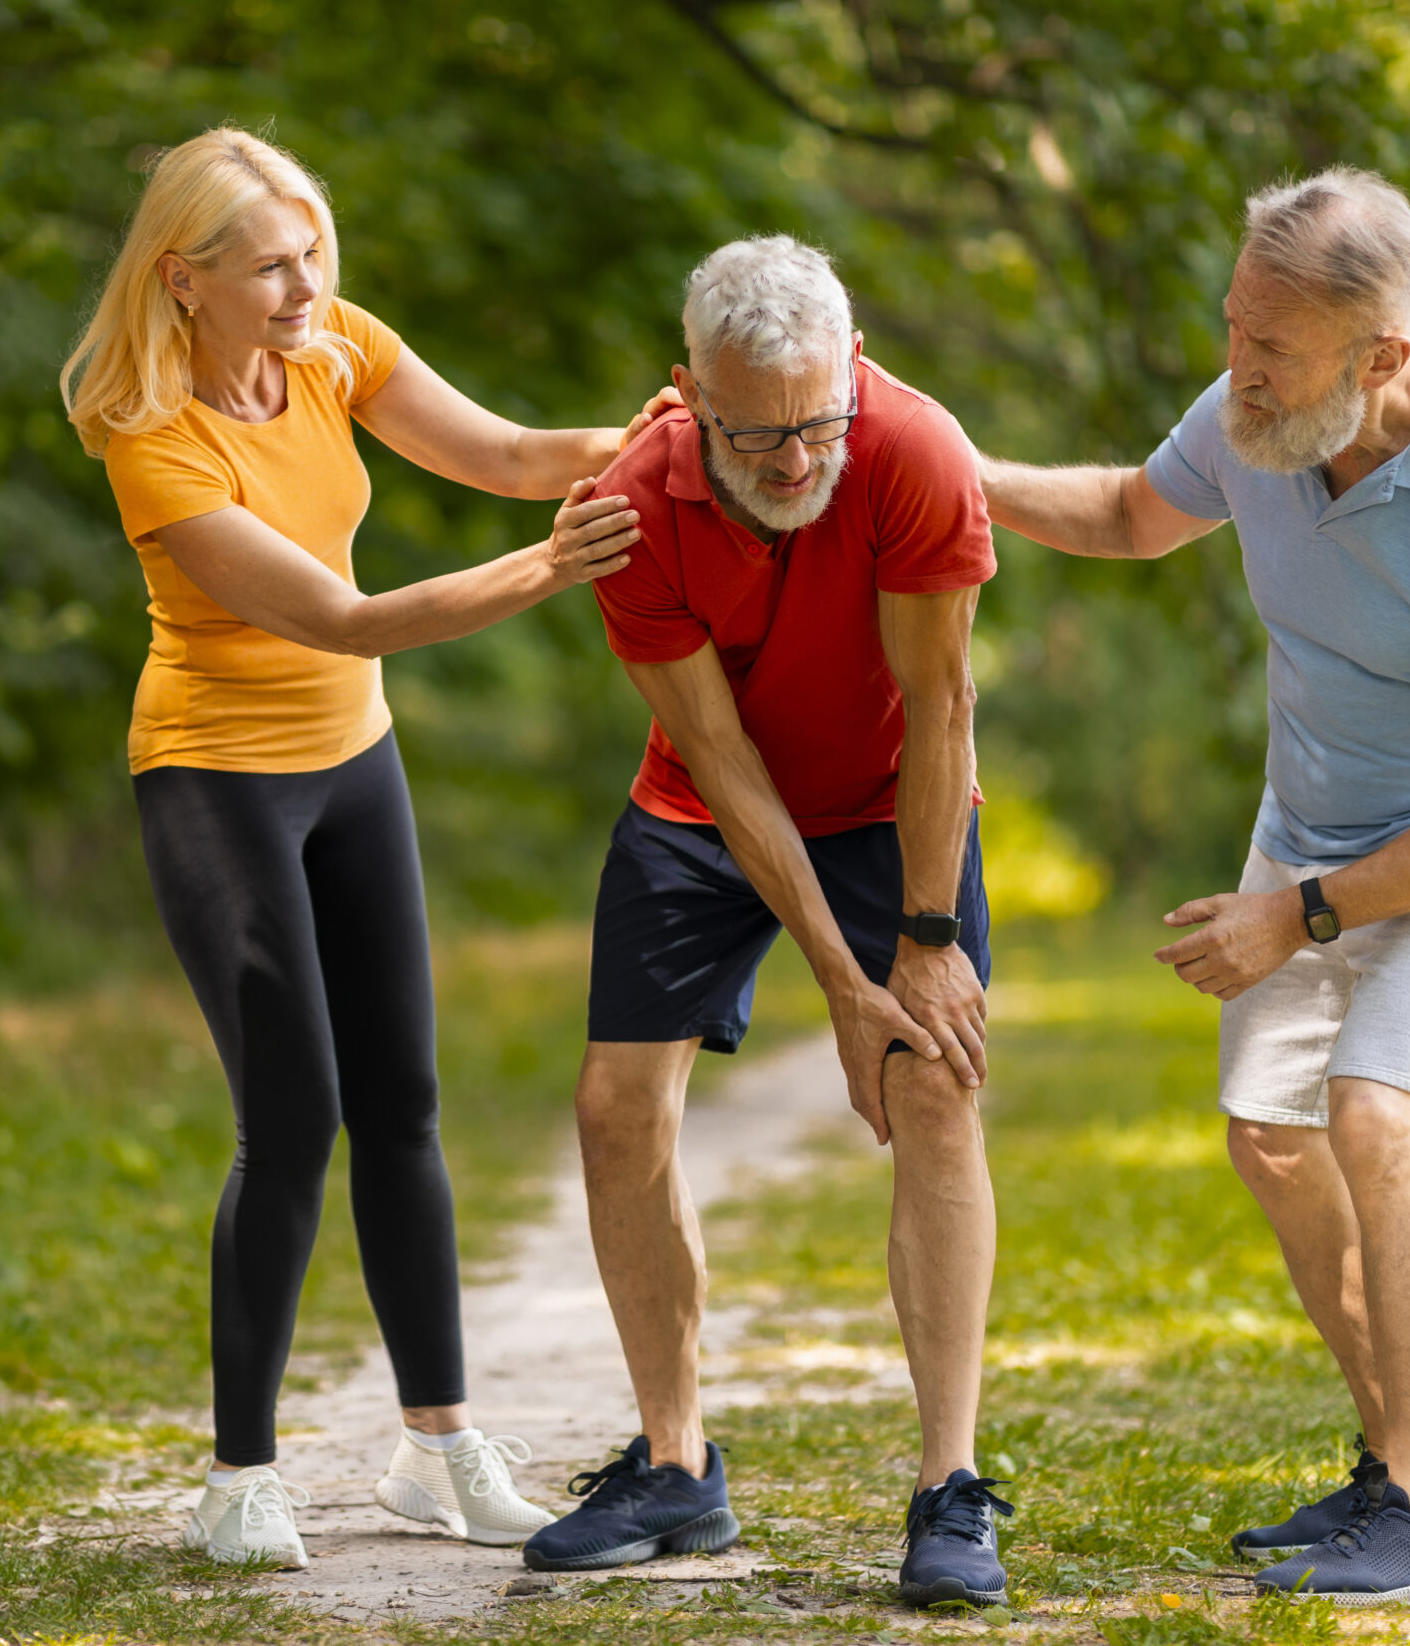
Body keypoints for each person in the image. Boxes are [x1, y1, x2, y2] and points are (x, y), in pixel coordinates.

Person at [60, 127, 669, 1568]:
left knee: (402, 1102)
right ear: (182, 279)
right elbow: (338, 616)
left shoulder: (331, 345)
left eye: (314, 250)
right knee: (295, 1117)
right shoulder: (148, 433)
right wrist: (550, 567)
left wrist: (659, 444)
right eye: (270, 265)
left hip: (354, 763)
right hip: (217, 776)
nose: (305, 284)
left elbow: (511, 453)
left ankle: (440, 1450)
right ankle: (239, 1479)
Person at [977, 168, 1410, 1606]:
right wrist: (945, 464)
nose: (1238, 365)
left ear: (1379, 358)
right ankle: (1401, 1463)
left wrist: (1293, 918)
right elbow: (1130, 514)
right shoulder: (1259, 414)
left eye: (1273, 343)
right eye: (1236, 324)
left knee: (1376, 1122)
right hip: (1304, 823)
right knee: (1273, 1139)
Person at [514, 237, 1011, 1609]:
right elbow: (721, 763)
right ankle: (675, 1469)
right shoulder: (632, 504)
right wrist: (836, 984)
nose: (796, 461)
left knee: (938, 1085)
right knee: (617, 1104)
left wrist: (912, 944)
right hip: (704, 807)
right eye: (756, 435)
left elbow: (943, 710)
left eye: (816, 425)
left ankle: (948, 1488)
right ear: (688, 394)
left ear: (851, 373)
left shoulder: (915, 455)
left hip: (891, 794)